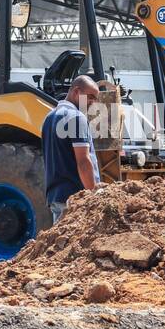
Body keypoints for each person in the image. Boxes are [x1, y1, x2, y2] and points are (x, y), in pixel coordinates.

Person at [41, 75, 102, 223]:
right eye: (90, 97)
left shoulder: (48, 118)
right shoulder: (77, 117)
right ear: (76, 91)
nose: (93, 102)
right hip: (75, 199)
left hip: (56, 197)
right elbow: (83, 161)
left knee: (61, 243)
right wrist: (94, 195)